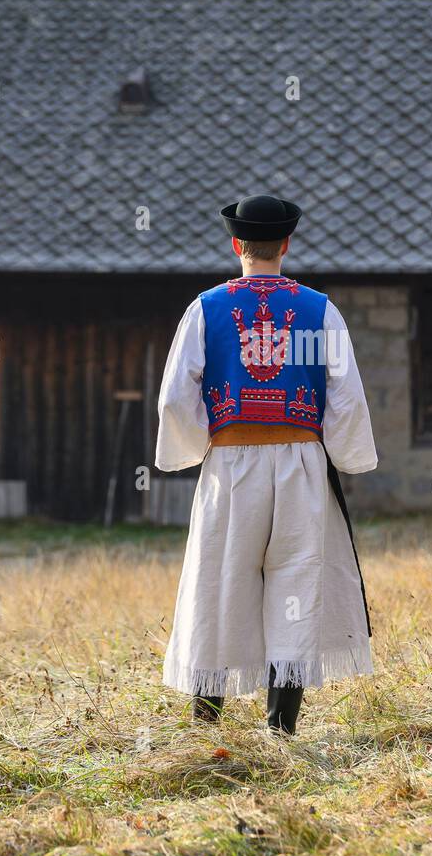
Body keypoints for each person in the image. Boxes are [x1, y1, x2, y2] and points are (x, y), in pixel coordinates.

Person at [155, 194, 377, 734]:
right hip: (301, 464)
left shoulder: (205, 308)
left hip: (231, 463)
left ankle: (205, 729)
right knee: (296, 586)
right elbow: (346, 397)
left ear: (236, 245)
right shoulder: (318, 309)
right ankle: (281, 732)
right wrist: (345, 455)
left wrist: (191, 446)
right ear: (286, 244)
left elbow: (173, 400)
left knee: (218, 584)